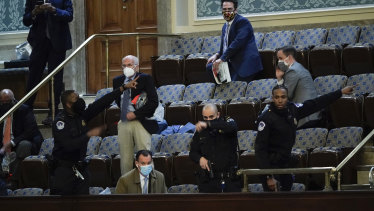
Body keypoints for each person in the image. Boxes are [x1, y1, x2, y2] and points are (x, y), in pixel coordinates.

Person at [255, 84, 354, 191]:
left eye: (283, 97)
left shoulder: (292, 109)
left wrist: (340, 92)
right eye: (277, 97)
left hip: (285, 164)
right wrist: (268, 176)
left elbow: (315, 104)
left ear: (287, 98)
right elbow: (260, 149)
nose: (280, 100)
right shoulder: (266, 118)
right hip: (271, 167)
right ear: (272, 98)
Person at [50, 79, 137, 195]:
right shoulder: (60, 123)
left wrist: (123, 88)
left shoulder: (81, 115)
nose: (80, 101)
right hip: (64, 172)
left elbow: (101, 103)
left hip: (81, 169)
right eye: (76, 99)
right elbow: (68, 146)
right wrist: (88, 135)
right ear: (68, 104)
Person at [23, 0, 73, 125]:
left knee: (56, 79)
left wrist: (54, 10)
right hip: (39, 43)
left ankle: (53, 112)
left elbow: (69, 15)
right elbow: (26, 20)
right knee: (33, 77)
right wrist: (34, 12)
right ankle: (26, 111)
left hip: (58, 43)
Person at [113, 55, 159, 175]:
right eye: (124, 65)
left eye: (129, 65)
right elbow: (118, 100)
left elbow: (153, 102)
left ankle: (148, 186)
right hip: (124, 122)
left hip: (141, 121)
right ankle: (127, 190)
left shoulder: (145, 78)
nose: (126, 67)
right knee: (125, 158)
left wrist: (135, 114)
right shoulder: (117, 81)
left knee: (144, 155)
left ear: (136, 66)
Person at [206, 0, 262, 83]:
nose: (227, 12)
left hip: (244, 64)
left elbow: (237, 43)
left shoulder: (242, 22)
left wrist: (222, 58)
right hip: (232, 63)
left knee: (233, 87)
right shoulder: (225, 26)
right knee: (210, 67)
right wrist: (217, 55)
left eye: (230, 9)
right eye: (224, 9)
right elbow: (226, 45)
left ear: (235, 10)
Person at [189, 103, 241, 193]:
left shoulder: (227, 123)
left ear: (218, 114)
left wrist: (208, 124)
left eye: (211, 117)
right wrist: (200, 158)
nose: (208, 120)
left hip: (230, 180)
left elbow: (232, 128)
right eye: (205, 118)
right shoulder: (201, 131)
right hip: (209, 180)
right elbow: (193, 153)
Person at [0, 89, 43, 189]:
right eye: (2, 102)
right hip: (3, 144)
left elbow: (29, 132)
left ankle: (14, 180)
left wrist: (12, 142)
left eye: (7, 102)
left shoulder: (24, 110)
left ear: (13, 100)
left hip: (20, 142)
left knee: (24, 145)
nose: (5, 104)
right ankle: (2, 180)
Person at [276, 46, 320, 128]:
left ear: (289, 57)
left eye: (280, 58)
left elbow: (285, 95)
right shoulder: (298, 67)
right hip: (311, 114)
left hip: (306, 118)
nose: (279, 61)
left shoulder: (293, 71)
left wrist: (279, 79)